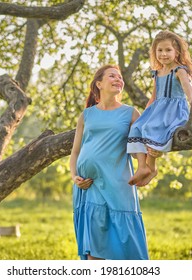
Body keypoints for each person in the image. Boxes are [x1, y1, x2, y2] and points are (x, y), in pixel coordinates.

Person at [70, 64, 149, 260]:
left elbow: (139, 145)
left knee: (124, 247)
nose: (118, 79)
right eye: (112, 76)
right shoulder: (86, 115)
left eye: (120, 77)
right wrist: (74, 176)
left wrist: (143, 168)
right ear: (99, 83)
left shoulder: (131, 113)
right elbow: (75, 152)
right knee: (93, 251)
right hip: (88, 187)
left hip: (117, 186)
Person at [127, 30, 192, 187]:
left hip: (174, 111)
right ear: (154, 52)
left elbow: (188, 92)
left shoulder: (179, 70)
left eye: (168, 50)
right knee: (138, 126)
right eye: (160, 50)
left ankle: (151, 167)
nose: (163, 54)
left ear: (176, 51)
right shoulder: (157, 73)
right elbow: (153, 97)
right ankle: (143, 166)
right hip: (158, 109)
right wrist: (146, 115)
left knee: (154, 127)